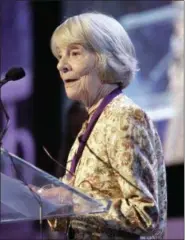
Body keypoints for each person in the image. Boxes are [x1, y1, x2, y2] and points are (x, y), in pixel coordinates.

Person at [42, 12, 167, 239]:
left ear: (104, 57)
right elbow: (73, 219)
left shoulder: (125, 117)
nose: (61, 65)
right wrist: (50, 201)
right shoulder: (91, 123)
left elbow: (147, 216)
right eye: (60, 56)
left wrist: (75, 201)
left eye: (74, 53)